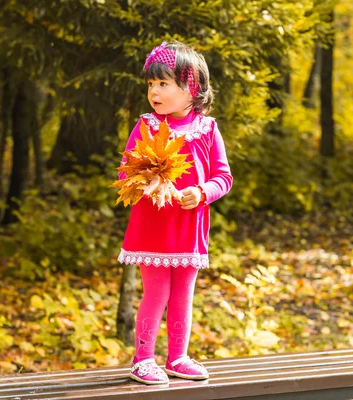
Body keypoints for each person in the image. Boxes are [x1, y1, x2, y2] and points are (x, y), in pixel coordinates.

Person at [117, 40, 233, 385]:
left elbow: (223, 177)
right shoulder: (148, 126)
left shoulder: (207, 130)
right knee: (156, 292)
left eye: (163, 84)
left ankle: (177, 356)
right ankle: (143, 358)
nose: (154, 91)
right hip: (153, 228)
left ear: (191, 89)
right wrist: (146, 179)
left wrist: (201, 192)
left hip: (189, 227)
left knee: (184, 292)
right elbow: (126, 171)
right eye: (151, 84)